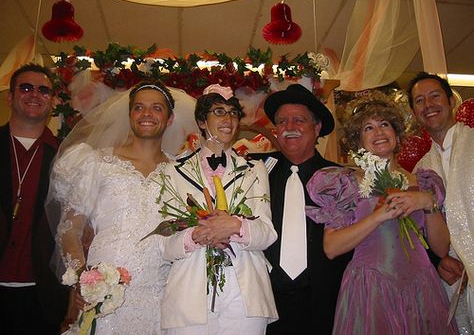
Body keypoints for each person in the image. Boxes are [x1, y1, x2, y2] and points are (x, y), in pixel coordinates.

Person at [305, 97, 457, 334]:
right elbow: (331, 247)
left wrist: (427, 202)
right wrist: (378, 215)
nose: (378, 132)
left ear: (396, 133)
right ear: (359, 140)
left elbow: (440, 249)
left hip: (421, 288)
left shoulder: (424, 182)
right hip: (370, 290)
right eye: (368, 127)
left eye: (384, 124)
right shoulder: (345, 183)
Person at [46, 79, 175, 334]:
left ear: (169, 119)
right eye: (139, 108)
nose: (147, 114)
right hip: (104, 293)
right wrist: (83, 278)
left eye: (156, 108)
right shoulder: (97, 162)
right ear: (130, 115)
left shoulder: (180, 170)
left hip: (163, 295)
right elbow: (70, 230)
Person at [158, 84, 278, 334]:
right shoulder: (173, 172)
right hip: (189, 292)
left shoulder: (255, 170)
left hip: (245, 292)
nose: (228, 119)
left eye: (233, 113)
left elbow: (267, 234)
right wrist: (194, 236)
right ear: (202, 121)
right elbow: (162, 246)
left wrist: (235, 226)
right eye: (219, 112)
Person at [256, 83, 352, 335]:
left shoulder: (341, 177)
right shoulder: (257, 176)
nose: (289, 128)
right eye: (282, 122)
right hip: (268, 307)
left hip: (328, 305)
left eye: (298, 120)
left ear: (317, 127)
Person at [0, 63, 69, 334]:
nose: (34, 95)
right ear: (10, 97)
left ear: (52, 100)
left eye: (44, 90)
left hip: (42, 294)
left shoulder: (67, 156)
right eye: (26, 87)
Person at [408, 71, 474, 334]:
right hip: (454, 278)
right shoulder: (421, 168)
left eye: (435, 96)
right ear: (414, 113)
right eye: (420, 101)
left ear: (450, 101)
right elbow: (421, 232)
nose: (428, 105)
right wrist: (439, 259)